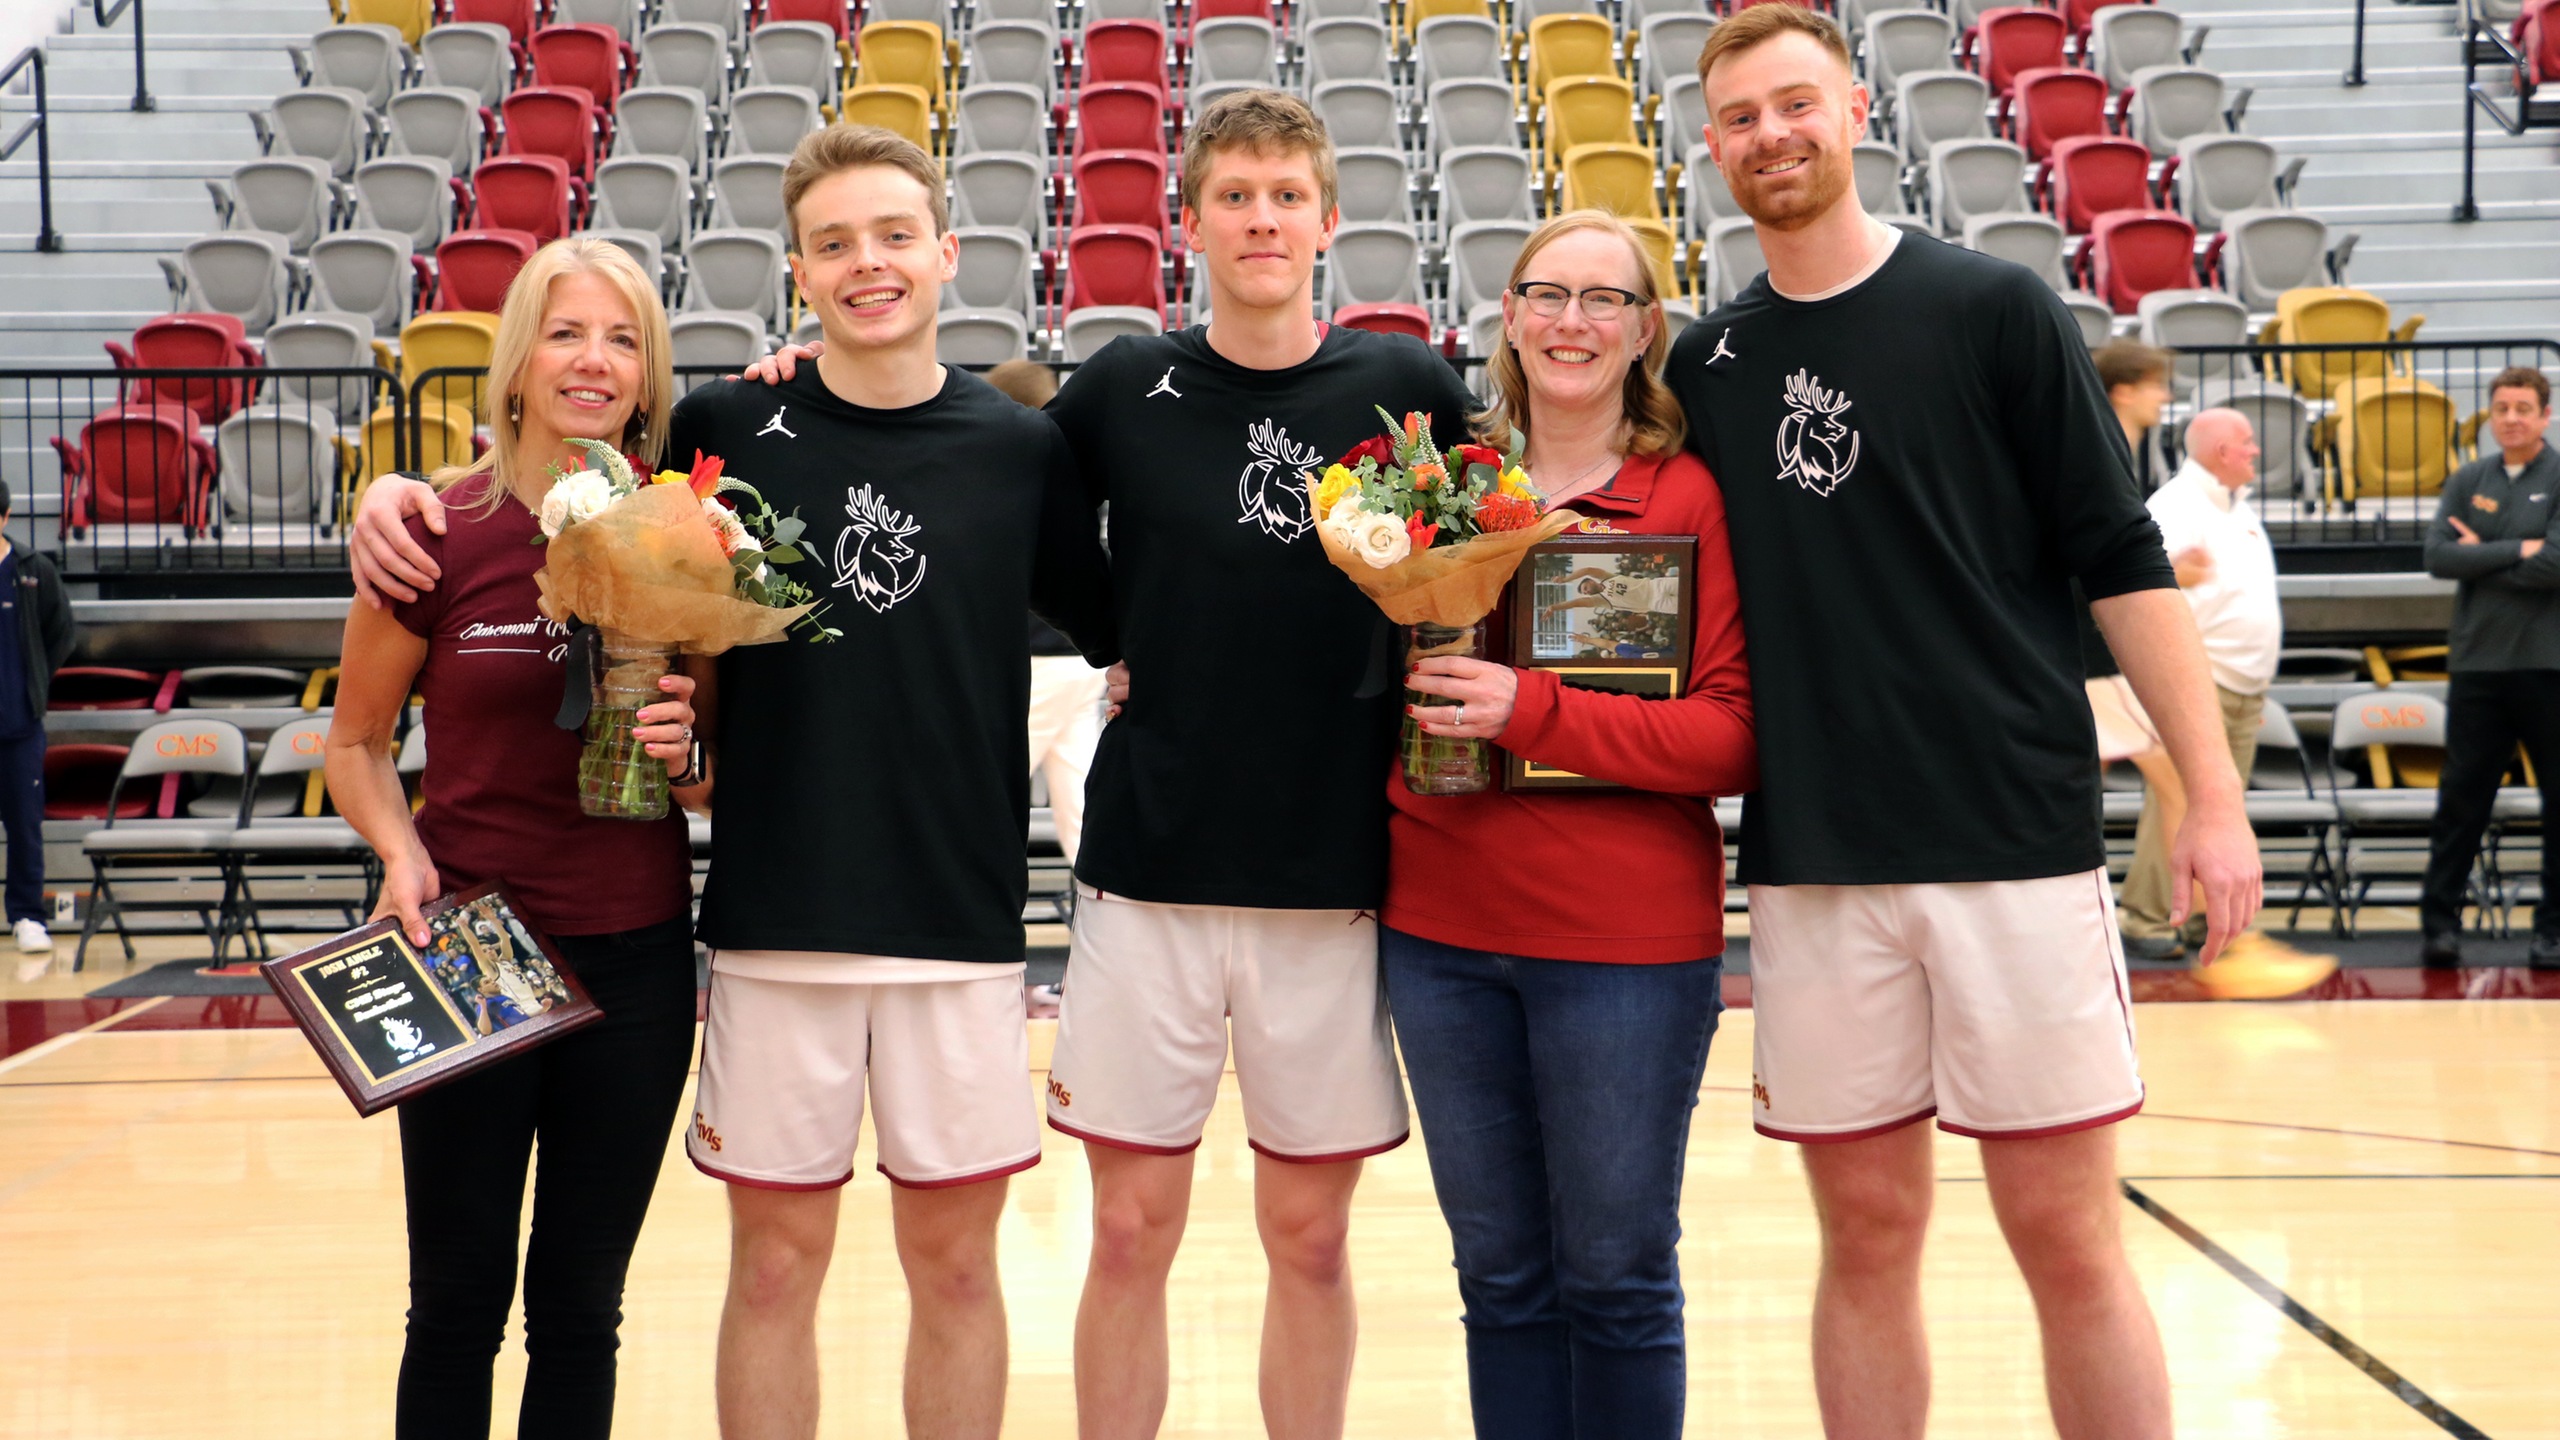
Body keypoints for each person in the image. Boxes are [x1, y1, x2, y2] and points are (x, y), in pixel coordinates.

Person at [346, 125, 1116, 1440]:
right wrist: (392, 495)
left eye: (890, 236)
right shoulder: (721, 431)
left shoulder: (1020, 448)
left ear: (947, 252)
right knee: (751, 1271)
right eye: (832, 244)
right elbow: (536, 565)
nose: (865, 264)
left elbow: (1130, 623)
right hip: (754, 925)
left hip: (951, 925)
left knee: (942, 1267)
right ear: (797, 274)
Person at [744, 90, 1478, 1440]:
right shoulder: (1119, 393)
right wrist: (801, 380)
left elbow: (1502, 540)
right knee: (1132, 1232)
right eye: (1236, 196)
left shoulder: (1409, 389)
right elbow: (958, 463)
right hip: (1148, 873)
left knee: (1311, 1238)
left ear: (1330, 217)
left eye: (1287, 195)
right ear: (1189, 222)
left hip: (1339, 876)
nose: (1262, 218)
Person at [1666, 10, 2261, 1439]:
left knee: (2065, 1235)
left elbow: (2119, 565)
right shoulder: (1707, 369)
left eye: (1793, 103)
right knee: (1865, 1235)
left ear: (1854, 111)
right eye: (1741, 117)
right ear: (1713, 148)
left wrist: (2216, 798)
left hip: (2011, 841)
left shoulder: (1991, 308)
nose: (1771, 136)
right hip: (1817, 854)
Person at [1380, 211, 1755, 1440]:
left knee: (1616, 1280)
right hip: (1437, 933)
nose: (1572, 322)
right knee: (1498, 1283)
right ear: (1508, 315)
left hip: (1624, 951)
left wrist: (1529, 710)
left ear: (1646, 329)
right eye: (1548, 295)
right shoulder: (1435, 491)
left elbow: (1728, 739)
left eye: (1606, 300)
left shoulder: (1686, 496)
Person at [322, 236, 704, 1439]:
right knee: (455, 1306)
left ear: (647, 378)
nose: (593, 360)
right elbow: (356, 742)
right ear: (519, 360)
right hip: (470, 952)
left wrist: (688, 760)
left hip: (638, 959)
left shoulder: (689, 537)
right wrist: (400, 853)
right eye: (567, 331)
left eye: (623, 338)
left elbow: (701, 789)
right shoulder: (433, 528)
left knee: (582, 1309)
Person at [2117, 408, 2281, 954]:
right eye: (2247, 441)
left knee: (2218, 810)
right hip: (2199, 680)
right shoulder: (2174, 507)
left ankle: (2198, 918)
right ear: (2219, 452)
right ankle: (2145, 917)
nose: (2256, 451)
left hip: (2241, 685)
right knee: (2179, 800)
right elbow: (2142, 596)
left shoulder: (2241, 509)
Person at [2420, 364, 2560, 968]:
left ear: (2545, 415)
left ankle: (2551, 932)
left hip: (2548, 665)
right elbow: (2438, 558)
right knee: (2461, 800)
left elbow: (2555, 564)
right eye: (2501, 407)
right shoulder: (2467, 477)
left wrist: (2483, 553)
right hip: (2478, 663)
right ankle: (2440, 926)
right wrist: (2517, 549)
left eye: (2523, 408)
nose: (2511, 418)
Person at [0, 478, 74, 957]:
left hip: (19, 726)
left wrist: (35, 685)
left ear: (4, 517)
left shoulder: (32, 570)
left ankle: (27, 916)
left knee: (25, 826)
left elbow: (60, 633)